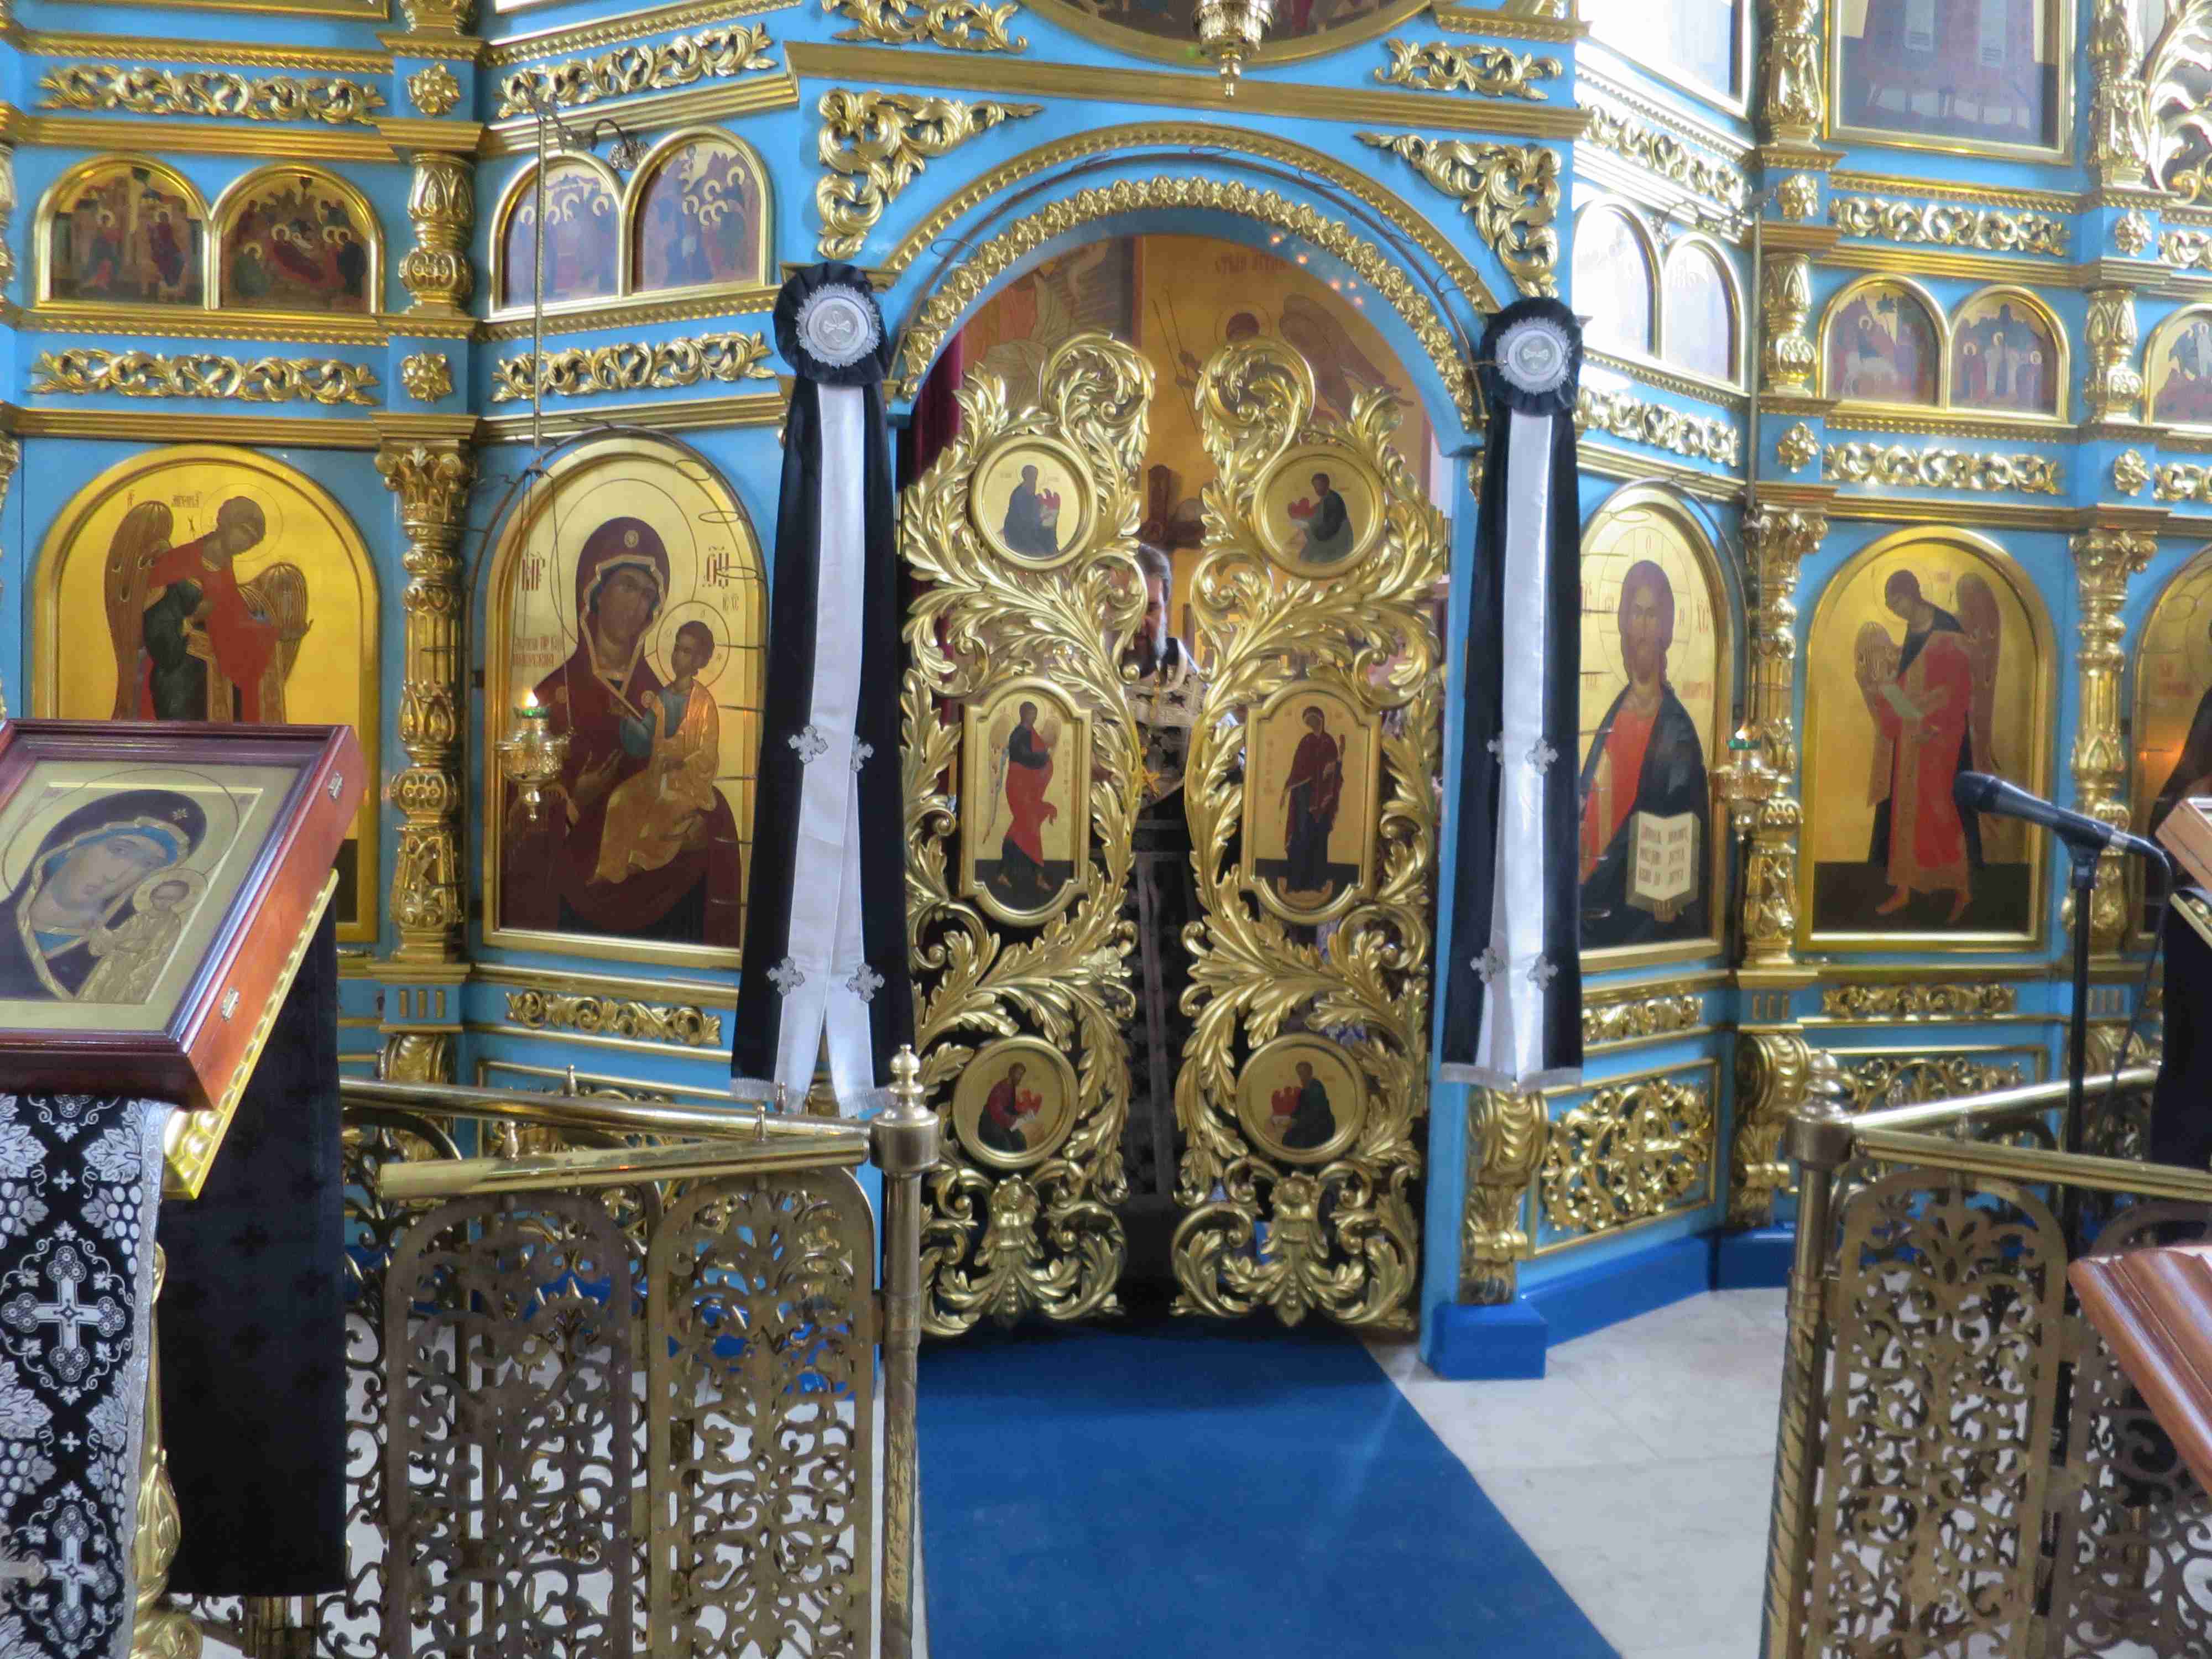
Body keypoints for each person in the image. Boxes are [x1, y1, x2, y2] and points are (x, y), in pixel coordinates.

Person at [503, 517, 743, 947]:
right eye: (628, 587)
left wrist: (700, 826)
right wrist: (575, 802)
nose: (638, 604)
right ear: (594, 592)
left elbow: (692, 765)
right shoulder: (553, 695)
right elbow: (517, 826)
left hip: (662, 899)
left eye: (648, 595)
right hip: (568, 899)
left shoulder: (665, 694)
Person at [1577, 560, 1710, 948]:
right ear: (1624, 622)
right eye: (1636, 613)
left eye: (1653, 615)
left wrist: (1676, 888)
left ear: (1665, 628)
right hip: (1592, 888)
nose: (1644, 628)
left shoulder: (1677, 728)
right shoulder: (1614, 713)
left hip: (1644, 906)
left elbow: (1689, 815)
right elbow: (1592, 798)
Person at [0, 789, 205, 1001]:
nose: (116, 876)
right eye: (119, 850)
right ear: (71, 847)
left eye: (147, 864)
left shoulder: (120, 951)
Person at [1863, 569, 1979, 921]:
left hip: (1941, 739)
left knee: (1941, 811)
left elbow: (1959, 688)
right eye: (1890, 606)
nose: (1895, 610)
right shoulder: (1913, 630)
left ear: (1912, 594)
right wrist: (1886, 689)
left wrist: (1933, 725)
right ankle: (1904, 888)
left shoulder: (1946, 629)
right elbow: (1910, 680)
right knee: (1904, 813)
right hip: (1912, 738)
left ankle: (1962, 889)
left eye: (1897, 602)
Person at [594, 619, 723, 887]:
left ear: (700, 660)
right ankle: (608, 870)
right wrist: (626, 718)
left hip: (687, 785)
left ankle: (638, 863)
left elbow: (708, 753)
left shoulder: (704, 703)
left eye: (687, 651)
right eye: (677, 648)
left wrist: (680, 763)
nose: (678, 656)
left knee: (665, 805)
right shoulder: (662, 697)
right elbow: (644, 740)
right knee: (619, 799)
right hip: (655, 775)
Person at [137, 498, 281, 722]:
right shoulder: (177, 561)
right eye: (244, 531)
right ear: (227, 522)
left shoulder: (225, 572)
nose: (245, 543)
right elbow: (157, 633)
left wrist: (272, 634)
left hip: (216, 677)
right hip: (180, 679)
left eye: (252, 541)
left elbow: (235, 622)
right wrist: (193, 618)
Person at [80, 870, 201, 1004]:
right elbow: (115, 938)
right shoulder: (138, 918)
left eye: (171, 899)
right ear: (152, 896)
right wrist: (100, 930)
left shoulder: (173, 923)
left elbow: (164, 953)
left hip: (138, 971)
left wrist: (139, 973)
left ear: (179, 900)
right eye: (160, 897)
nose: (164, 902)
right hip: (114, 965)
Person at [992, 700, 1058, 909]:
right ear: (1023, 714)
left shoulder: (1032, 734)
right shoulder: (1018, 735)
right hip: (1018, 787)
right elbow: (1024, 757)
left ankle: (1004, 873)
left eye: (1036, 713)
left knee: (1021, 829)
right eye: (1031, 713)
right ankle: (1038, 877)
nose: (1034, 716)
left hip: (1028, 788)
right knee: (1030, 828)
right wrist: (1044, 756)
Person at [1280, 705, 1343, 902]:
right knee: (1301, 834)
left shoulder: (1329, 742)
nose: (1312, 723)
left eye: (1315, 719)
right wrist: (1292, 785)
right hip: (1304, 795)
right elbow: (1298, 768)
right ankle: (1296, 882)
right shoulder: (1306, 741)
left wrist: (1335, 766)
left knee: (1319, 837)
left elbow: (1335, 771)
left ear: (1322, 720)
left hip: (1323, 798)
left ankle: (1316, 882)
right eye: (1309, 721)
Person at [976, 1061, 1043, 1157]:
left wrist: (1023, 1114)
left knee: (1021, 1140)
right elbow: (998, 1113)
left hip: (1002, 1124)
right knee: (1006, 1147)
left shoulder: (1011, 1088)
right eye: (1018, 1074)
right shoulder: (1000, 1089)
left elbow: (1009, 1109)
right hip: (990, 1125)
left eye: (1021, 1075)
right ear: (1011, 1072)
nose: (1020, 1078)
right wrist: (1016, 1118)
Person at [1288, 470, 1355, 565]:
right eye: (1315, 486)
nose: (1317, 489)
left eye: (1319, 485)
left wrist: (1308, 526)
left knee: (1308, 558)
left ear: (1326, 484)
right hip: (1327, 537)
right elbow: (1319, 518)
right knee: (1304, 555)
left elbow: (1330, 528)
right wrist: (1306, 522)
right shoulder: (1325, 499)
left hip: (1338, 541)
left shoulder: (1333, 500)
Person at [999, 463, 1062, 559]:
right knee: (1043, 554)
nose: (1034, 481)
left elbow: (1041, 526)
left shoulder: (1033, 498)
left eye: (1035, 477)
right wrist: (1043, 516)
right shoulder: (1020, 495)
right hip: (1020, 539)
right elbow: (1025, 522)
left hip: (1032, 538)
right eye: (1032, 477)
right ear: (1025, 476)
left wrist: (1051, 515)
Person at [1271, 1061, 1334, 1152]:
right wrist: (1292, 1118)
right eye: (1300, 1073)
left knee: (1293, 1141)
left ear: (1310, 1073)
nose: (1302, 1076)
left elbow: (1315, 1113)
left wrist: (1296, 1122)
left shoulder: (1316, 1088)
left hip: (1321, 1126)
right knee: (1287, 1138)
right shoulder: (1304, 1090)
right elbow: (1299, 1108)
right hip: (1307, 1123)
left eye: (1304, 1073)